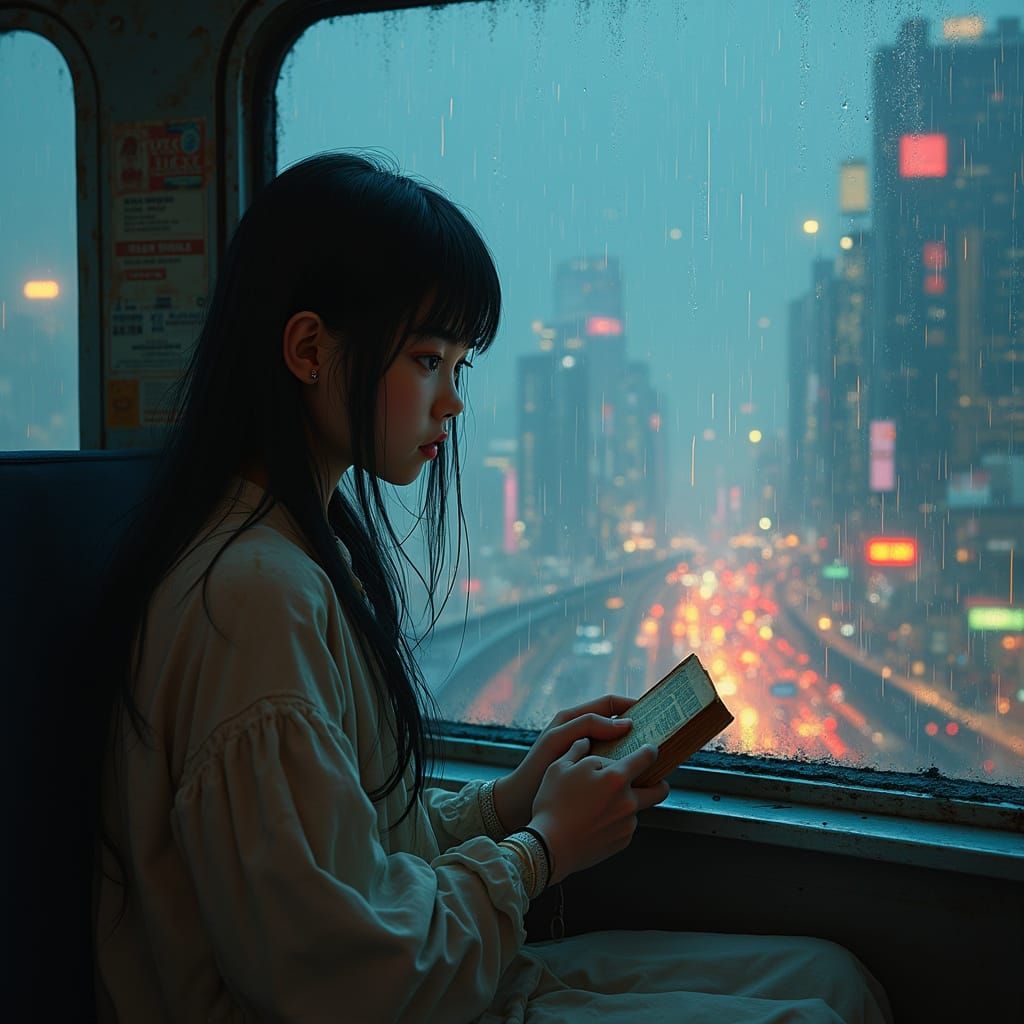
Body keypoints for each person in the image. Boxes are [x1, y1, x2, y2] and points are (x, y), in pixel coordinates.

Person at [92, 151, 891, 1023]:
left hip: (432, 977)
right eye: (428, 359)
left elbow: (362, 860)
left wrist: (513, 799)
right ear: (311, 350)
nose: (452, 403)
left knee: (832, 980)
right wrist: (541, 850)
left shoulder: (303, 558)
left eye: (460, 367)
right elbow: (335, 973)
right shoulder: (254, 599)